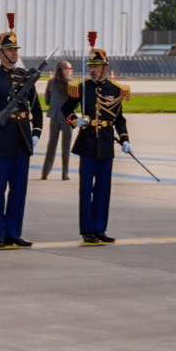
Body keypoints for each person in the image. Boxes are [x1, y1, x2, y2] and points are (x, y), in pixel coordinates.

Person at [0, 13, 43, 249]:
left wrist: (36, 132)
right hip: (1, 139)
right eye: (10, 50)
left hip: (22, 138)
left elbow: (37, 110)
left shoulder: (26, 77)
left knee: (19, 190)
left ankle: (14, 232)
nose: (15, 53)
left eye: (16, 49)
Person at [71, 35, 129, 244]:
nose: (93, 69)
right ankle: (87, 229)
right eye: (91, 65)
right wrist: (75, 120)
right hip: (87, 143)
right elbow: (65, 110)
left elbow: (119, 118)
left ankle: (100, 228)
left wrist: (124, 139)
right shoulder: (82, 88)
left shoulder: (115, 90)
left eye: (97, 66)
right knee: (86, 190)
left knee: (103, 189)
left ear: (105, 67)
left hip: (105, 144)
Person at [41, 59, 75, 180]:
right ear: (62, 70)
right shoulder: (72, 84)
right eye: (68, 69)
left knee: (52, 145)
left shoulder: (51, 83)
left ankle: (45, 172)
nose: (70, 71)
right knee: (65, 147)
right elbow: (76, 104)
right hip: (66, 118)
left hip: (55, 116)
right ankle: (64, 174)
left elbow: (47, 100)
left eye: (70, 69)